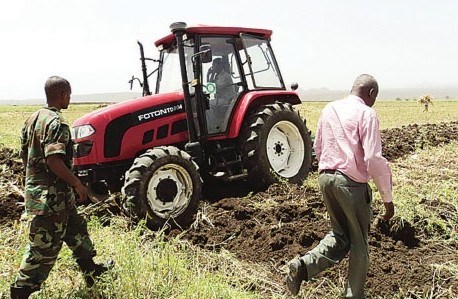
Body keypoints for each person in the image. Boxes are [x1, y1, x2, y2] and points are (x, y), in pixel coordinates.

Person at [286, 74, 395, 298]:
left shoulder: (330, 109)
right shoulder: (367, 113)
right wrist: (387, 198)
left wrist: (328, 172)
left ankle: (303, 266)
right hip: (351, 184)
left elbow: (318, 145)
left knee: (340, 236)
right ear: (371, 93)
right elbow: (373, 158)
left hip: (326, 179)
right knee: (359, 244)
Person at [11, 76, 112, 299]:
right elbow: (53, 160)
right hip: (51, 199)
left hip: (52, 195)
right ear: (63, 94)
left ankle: (90, 270)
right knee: (43, 248)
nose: (70, 98)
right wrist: (77, 183)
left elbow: (24, 155)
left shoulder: (33, 119)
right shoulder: (57, 123)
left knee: (76, 230)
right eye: (69, 94)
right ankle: (20, 290)